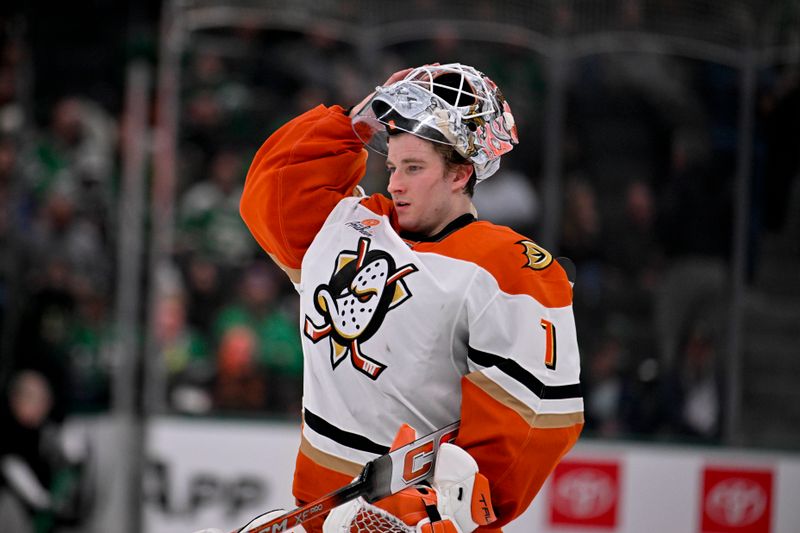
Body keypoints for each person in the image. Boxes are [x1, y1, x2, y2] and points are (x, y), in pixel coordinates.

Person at [237, 63, 583, 532]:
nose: (395, 183)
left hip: (416, 521)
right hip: (320, 512)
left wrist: (450, 515)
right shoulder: (345, 225)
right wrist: (354, 123)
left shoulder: (509, 268)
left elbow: (532, 422)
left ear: (461, 174)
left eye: (414, 168)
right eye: (393, 166)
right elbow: (271, 194)